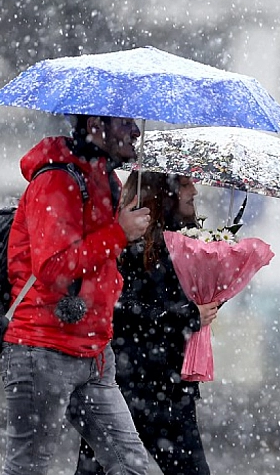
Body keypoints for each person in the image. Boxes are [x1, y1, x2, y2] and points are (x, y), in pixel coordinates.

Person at [1, 115, 152, 475]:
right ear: (96, 124)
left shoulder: (105, 180)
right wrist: (118, 233)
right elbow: (53, 268)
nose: (135, 131)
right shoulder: (56, 179)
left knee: (130, 466)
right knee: (29, 468)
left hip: (95, 353)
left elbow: (100, 262)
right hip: (42, 350)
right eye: (124, 123)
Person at [76, 171, 219, 475]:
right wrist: (185, 316)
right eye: (184, 184)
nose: (194, 190)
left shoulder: (190, 243)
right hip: (124, 384)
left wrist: (212, 296)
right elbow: (118, 310)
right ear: (162, 192)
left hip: (171, 388)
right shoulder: (127, 242)